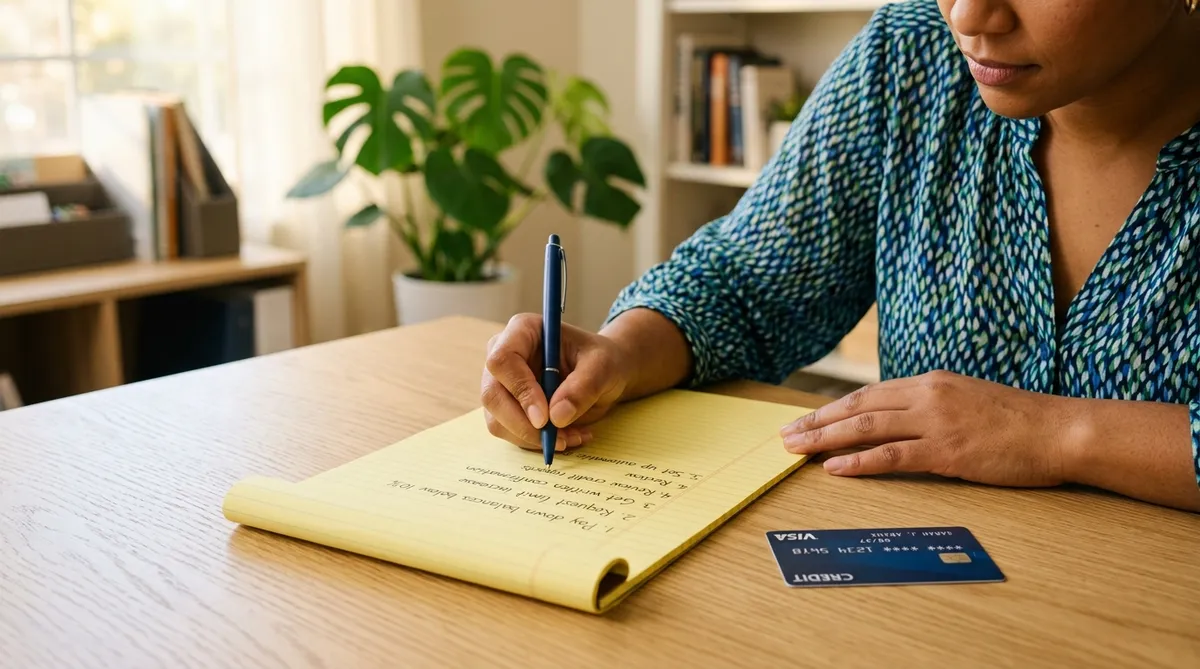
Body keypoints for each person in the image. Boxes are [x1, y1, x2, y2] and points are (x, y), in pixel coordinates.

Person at [480, 0, 1200, 513]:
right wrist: (620, 352)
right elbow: (747, 282)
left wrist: (1051, 434)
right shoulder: (909, 56)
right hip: (922, 607)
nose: (970, 16)